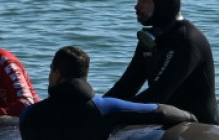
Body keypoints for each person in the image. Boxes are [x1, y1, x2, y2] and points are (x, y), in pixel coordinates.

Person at [104, 0, 219, 125]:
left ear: (162, 4)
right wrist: (94, 108)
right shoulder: (151, 39)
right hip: (168, 124)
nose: (137, 6)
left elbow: (158, 95)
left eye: (144, 0)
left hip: (201, 128)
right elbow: (125, 87)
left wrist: (111, 113)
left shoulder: (187, 41)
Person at [19, 46, 197, 140]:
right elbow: (161, 112)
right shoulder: (104, 107)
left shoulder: (29, 114)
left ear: (57, 74)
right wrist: (190, 116)